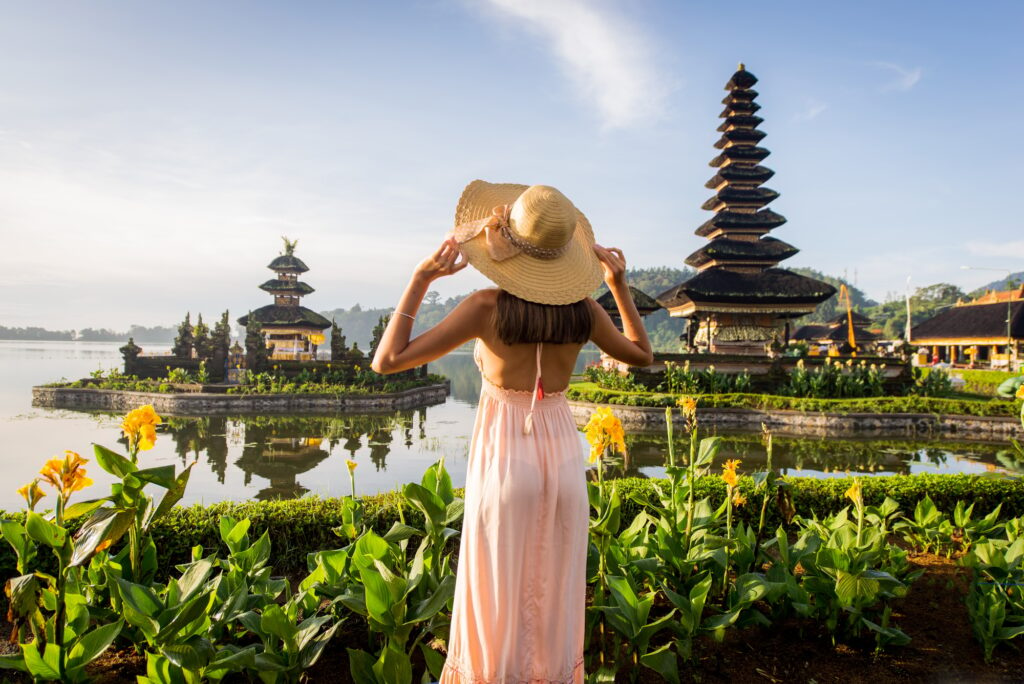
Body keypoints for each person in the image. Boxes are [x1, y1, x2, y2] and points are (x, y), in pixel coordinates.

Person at [372, 180, 653, 683]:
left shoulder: (486, 308)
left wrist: (420, 278)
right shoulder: (584, 312)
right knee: (552, 592)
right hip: (565, 462)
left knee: (495, 595)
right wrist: (617, 285)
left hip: (506, 462)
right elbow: (641, 354)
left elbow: (387, 360)